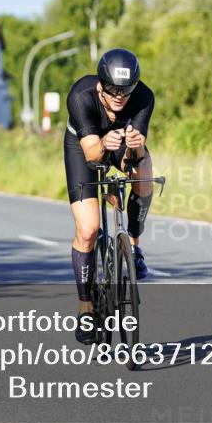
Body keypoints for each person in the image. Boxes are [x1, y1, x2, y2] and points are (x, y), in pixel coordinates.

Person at [64, 48, 155, 345]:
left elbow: (134, 157)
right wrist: (104, 142)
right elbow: (93, 155)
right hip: (85, 146)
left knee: (145, 170)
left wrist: (136, 146)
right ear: (101, 84)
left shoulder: (143, 97)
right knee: (88, 229)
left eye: (126, 90)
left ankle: (134, 246)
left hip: (120, 143)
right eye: (113, 89)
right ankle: (85, 307)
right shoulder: (81, 96)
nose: (120, 95)